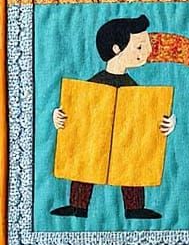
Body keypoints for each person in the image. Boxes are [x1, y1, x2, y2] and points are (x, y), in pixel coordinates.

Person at [50, 14, 176, 220]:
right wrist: (58, 117)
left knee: (133, 156)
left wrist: (168, 123)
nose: (148, 51)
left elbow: (149, 118)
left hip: (125, 138)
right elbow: (73, 112)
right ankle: (78, 205)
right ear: (117, 48)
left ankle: (134, 207)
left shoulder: (134, 90)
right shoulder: (91, 87)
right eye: (140, 46)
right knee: (85, 155)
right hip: (94, 135)